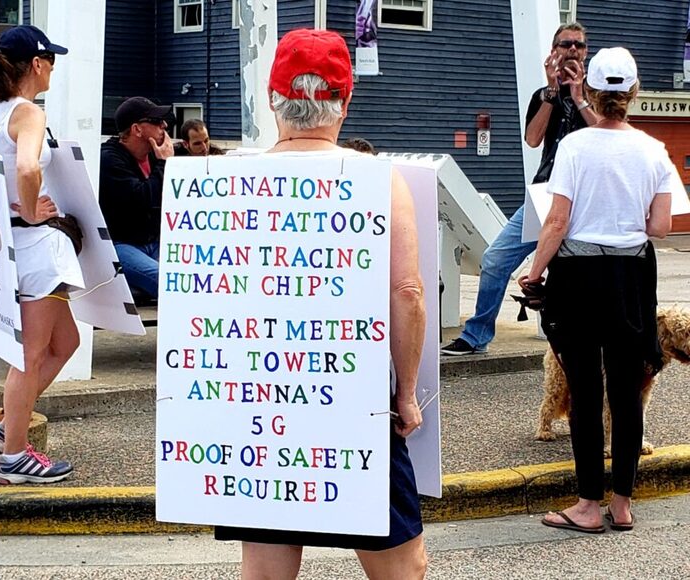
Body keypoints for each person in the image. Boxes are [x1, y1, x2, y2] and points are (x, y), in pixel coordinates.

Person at [214, 29, 428, 579]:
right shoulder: (376, 179)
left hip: (257, 399)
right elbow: (407, 294)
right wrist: (405, 393)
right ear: (345, 99)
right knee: (402, 567)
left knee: (265, 568)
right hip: (350, 394)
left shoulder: (223, 181)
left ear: (271, 96)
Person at [520, 47, 674, 533]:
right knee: (627, 391)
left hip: (579, 276)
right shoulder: (653, 149)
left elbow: (558, 220)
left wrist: (534, 273)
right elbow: (661, 226)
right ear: (633, 92)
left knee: (586, 392)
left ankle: (588, 504)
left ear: (589, 91)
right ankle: (623, 502)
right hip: (631, 277)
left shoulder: (575, 147)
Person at [441, 22, 599, 356]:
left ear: (587, 52)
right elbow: (532, 139)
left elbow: (609, 135)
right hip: (545, 194)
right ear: (553, 51)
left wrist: (580, 97)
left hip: (586, 199)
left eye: (579, 46)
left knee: (573, 270)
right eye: (566, 44)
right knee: (496, 258)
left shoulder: (597, 92)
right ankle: (476, 336)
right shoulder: (544, 96)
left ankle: (580, 341)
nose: (573, 50)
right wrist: (552, 93)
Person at [0, 25, 82, 484]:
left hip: (3, 244)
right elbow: (25, 166)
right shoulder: (27, 114)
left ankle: (7, 427)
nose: (54, 67)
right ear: (36, 65)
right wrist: (35, 212)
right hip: (35, 246)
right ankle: (14, 455)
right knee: (30, 355)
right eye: (50, 60)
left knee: (66, 343)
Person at [98, 97, 174, 299]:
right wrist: (164, 164)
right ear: (137, 129)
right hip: (121, 245)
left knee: (193, 275)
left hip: (153, 240)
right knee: (167, 281)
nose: (164, 126)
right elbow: (141, 198)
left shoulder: (153, 156)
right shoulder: (109, 159)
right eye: (157, 122)